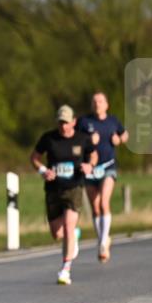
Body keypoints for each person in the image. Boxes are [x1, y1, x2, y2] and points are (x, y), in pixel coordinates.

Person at [31, 105, 96, 285]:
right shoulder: (49, 138)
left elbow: (93, 156)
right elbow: (34, 158)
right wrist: (43, 170)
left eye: (66, 123)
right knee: (57, 233)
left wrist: (89, 166)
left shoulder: (82, 139)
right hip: (53, 188)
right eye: (60, 123)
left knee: (67, 226)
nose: (63, 126)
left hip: (74, 187)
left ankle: (65, 269)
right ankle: (74, 234)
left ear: (74, 122)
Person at [79, 92, 128, 262]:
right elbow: (75, 138)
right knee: (95, 206)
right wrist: (87, 138)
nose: (97, 104)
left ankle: (102, 241)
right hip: (90, 168)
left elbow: (125, 134)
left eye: (100, 101)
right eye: (94, 101)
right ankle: (102, 239)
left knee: (104, 202)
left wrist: (119, 140)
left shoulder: (113, 121)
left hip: (108, 167)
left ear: (106, 104)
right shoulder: (85, 122)